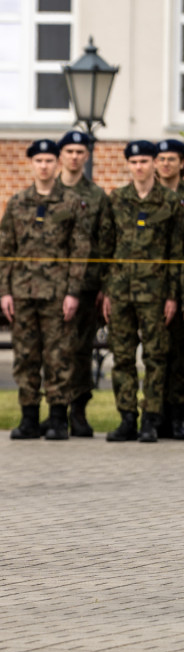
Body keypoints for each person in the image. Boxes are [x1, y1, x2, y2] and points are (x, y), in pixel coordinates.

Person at [0, 139, 89, 441]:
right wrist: (5, 291)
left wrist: (73, 292)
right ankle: (29, 419)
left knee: (58, 357)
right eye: (39, 160)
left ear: (57, 164)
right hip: (22, 294)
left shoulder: (72, 203)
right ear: (31, 164)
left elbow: (80, 250)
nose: (44, 166)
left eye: (50, 160)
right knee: (25, 357)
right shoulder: (18, 202)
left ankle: (58, 419)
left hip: (57, 295)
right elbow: (5, 249)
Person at [99, 140, 183, 442]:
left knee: (156, 357)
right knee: (121, 357)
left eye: (145, 161)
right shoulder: (117, 199)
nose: (140, 167)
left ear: (153, 164)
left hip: (155, 294)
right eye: (134, 162)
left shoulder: (170, 203)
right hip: (121, 293)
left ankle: (151, 418)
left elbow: (176, 253)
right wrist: (106, 291)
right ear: (128, 165)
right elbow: (106, 248)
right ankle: (127, 418)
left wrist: (172, 295)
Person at [52, 130, 112, 437]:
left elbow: (105, 244)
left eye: (80, 152)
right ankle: (55, 411)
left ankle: (78, 411)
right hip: (49, 287)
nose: (75, 157)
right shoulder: (47, 192)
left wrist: (105, 287)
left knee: (80, 351)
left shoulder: (97, 197)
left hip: (87, 288)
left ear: (86, 156)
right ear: (60, 155)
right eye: (69, 151)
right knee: (53, 351)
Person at [155, 138, 184, 439]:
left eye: (171, 158)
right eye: (161, 158)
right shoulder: (145, 197)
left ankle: (178, 416)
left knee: (180, 355)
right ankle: (158, 414)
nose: (165, 163)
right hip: (153, 288)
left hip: (181, 287)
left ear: (181, 163)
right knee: (157, 353)